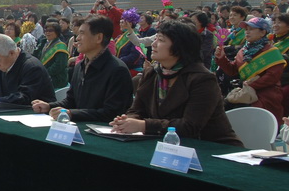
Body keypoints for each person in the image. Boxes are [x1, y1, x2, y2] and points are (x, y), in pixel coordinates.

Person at [112, 20, 242, 144]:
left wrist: (143, 125)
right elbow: (137, 109)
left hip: (210, 147)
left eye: (161, 40)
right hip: (165, 144)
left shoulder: (202, 79)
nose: (154, 44)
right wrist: (128, 121)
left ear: (179, 47)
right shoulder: (152, 73)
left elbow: (190, 126)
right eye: (155, 39)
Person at [32, 15, 133, 123]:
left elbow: (111, 113)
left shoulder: (117, 70)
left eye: (82, 33)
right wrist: (49, 106)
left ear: (99, 38)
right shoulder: (80, 66)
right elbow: (71, 101)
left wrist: (72, 114)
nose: (77, 38)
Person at [215, 17, 285, 121]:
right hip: (245, 92)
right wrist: (221, 58)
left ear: (263, 32)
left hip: (266, 94)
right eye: (246, 29)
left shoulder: (272, 51)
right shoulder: (243, 51)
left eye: (251, 29)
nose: (247, 32)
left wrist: (250, 85)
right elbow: (232, 70)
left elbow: (272, 76)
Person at [37, 22, 70, 89]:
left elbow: (58, 66)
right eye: (46, 30)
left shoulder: (61, 46)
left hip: (57, 79)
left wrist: (45, 73)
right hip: (46, 76)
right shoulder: (45, 44)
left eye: (50, 30)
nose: (47, 32)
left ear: (57, 32)